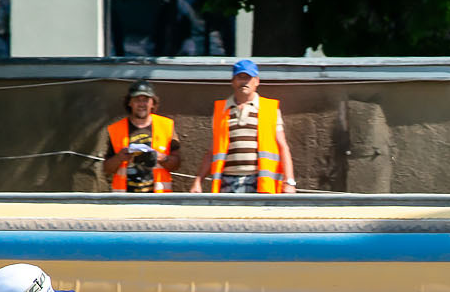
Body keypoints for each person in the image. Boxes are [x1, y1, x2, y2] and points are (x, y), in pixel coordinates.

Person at [194, 58, 295, 194]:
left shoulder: (269, 109)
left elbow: (283, 146)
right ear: (233, 82)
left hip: (259, 182)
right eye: (240, 77)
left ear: (256, 81)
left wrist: (289, 181)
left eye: (248, 78)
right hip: (228, 181)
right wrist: (198, 181)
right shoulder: (221, 110)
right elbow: (212, 151)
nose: (244, 82)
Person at [84, 84, 177, 193]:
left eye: (146, 100)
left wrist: (162, 158)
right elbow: (106, 169)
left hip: (158, 201)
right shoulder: (115, 129)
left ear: (153, 103)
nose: (141, 104)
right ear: (129, 102)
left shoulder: (166, 126)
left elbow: (177, 164)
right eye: (137, 100)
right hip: (125, 201)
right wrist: (119, 158)